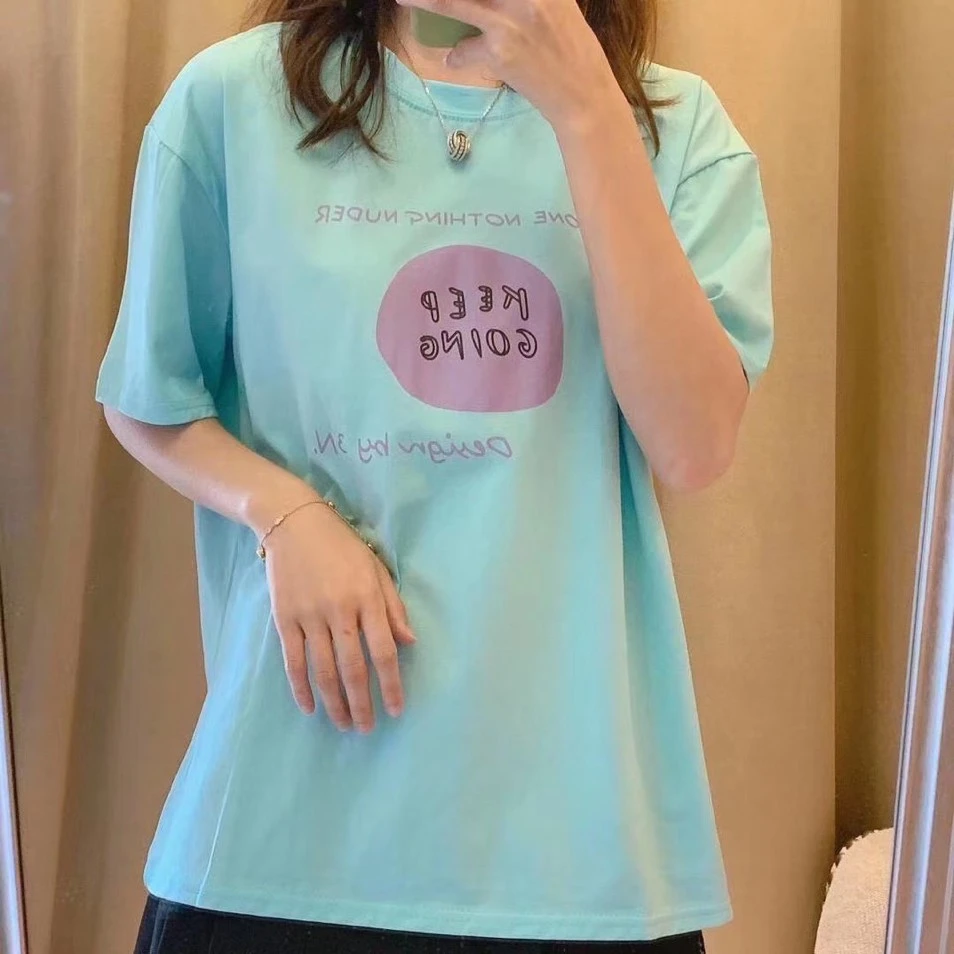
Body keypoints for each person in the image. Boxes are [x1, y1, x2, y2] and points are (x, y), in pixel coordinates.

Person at [96, 0, 773, 949]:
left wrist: (586, 111)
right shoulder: (232, 100)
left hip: (576, 858)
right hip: (285, 833)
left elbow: (693, 444)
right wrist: (283, 511)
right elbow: (149, 394)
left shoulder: (676, 128)